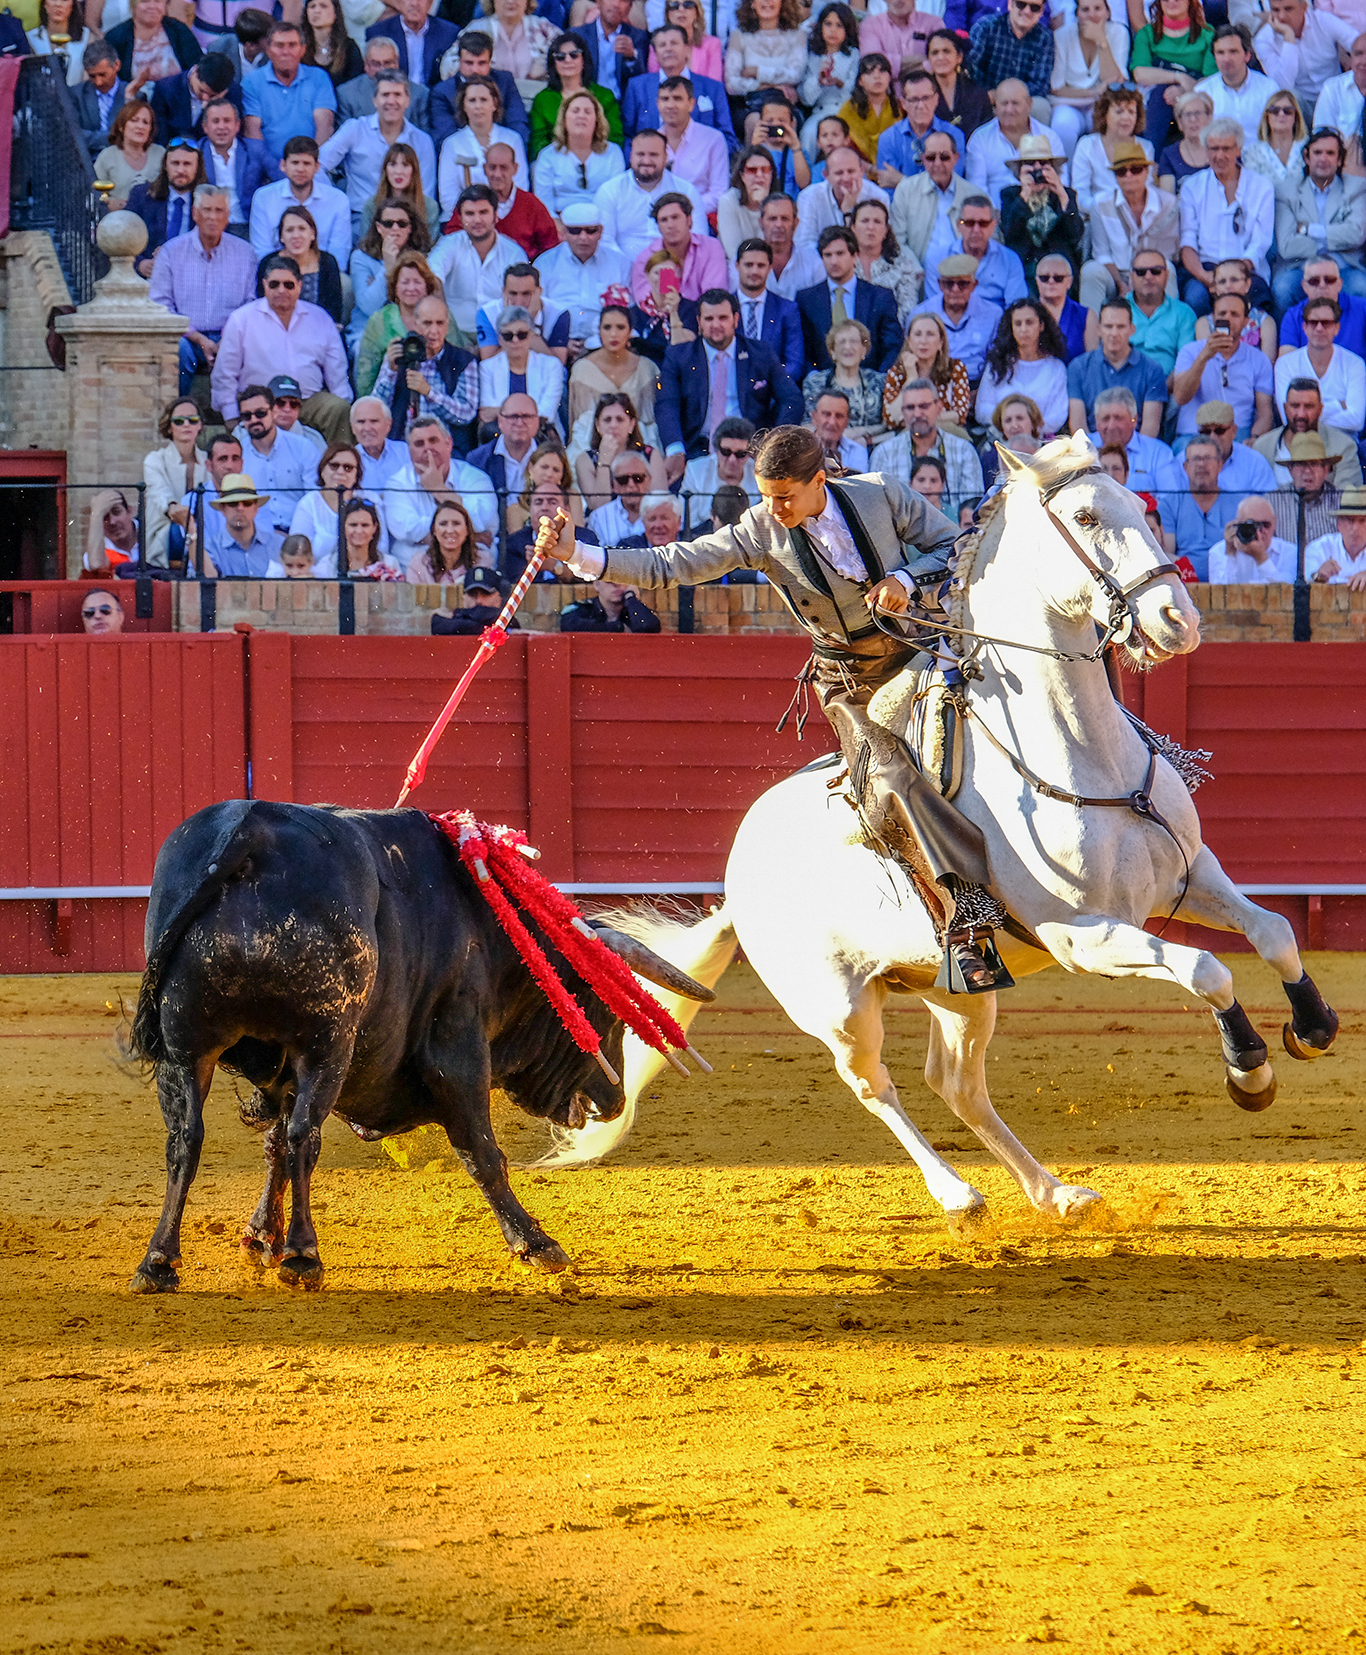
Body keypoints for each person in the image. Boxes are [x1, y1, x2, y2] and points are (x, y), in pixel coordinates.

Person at [545, 422, 1011, 992]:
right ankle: (967, 920)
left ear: (821, 480)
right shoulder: (761, 528)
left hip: (920, 652)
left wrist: (905, 579)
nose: (774, 508)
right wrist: (580, 555)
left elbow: (957, 546)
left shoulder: (881, 492)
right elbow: (675, 564)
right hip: (851, 680)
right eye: (766, 496)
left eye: (785, 496)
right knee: (891, 769)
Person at [656, 289, 801, 479]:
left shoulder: (761, 354)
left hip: (751, 451)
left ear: (736, 319)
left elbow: (792, 399)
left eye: (723, 318)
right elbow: (667, 404)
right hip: (696, 450)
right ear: (699, 322)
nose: (716, 325)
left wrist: (774, 443)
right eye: (709, 319)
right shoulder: (679, 356)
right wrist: (675, 450)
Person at [213, 255, 353, 444]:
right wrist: (230, 414)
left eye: (288, 285)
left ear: (300, 286)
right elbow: (225, 372)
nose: (281, 290)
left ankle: (340, 468)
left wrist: (344, 401)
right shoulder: (241, 319)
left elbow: (337, 371)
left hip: (307, 401)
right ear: (264, 285)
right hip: (261, 404)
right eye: (274, 284)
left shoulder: (320, 319)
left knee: (339, 409)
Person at [148, 183, 256, 392]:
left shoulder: (245, 253)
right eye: (207, 210)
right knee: (176, 351)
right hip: (186, 337)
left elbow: (250, 304)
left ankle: (243, 419)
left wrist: (227, 338)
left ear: (228, 216)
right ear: (195, 213)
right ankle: (178, 415)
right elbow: (160, 305)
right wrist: (198, 338)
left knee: (254, 347)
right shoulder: (171, 252)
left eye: (219, 211)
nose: (213, 217)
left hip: (231, 335)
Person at [319, 70, 436, 234]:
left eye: (397, 94)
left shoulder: (422, 140)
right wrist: (334, 201)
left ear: (407, 100)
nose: (391, 101)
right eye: (385, 94)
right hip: (359, 219)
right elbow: (318, 164)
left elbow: (426, 192)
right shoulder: (355, 129)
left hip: (406, 222)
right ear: (374, 100)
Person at [1178, 117, 1274, 316]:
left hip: (1246, 268)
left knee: (1258, 300)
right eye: (1213, 149)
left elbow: (1261, 240)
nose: (1219, 155)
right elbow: (1188, 239)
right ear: (1206, 151)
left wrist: (1234, 277)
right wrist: (1206, 277)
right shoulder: (1192, 186)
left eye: (1226, 149)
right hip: (1205, 267)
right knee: (1195, 298)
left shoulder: (1261, 186)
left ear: (1238, 149)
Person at [1272, 130, 1366, 316]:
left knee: (1361, 287)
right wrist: (1335, 237)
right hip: (1301, 268)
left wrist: (1309, 230)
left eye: (1330, 153)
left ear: (1340, 160)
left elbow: (1356, 234)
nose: (1323, 158)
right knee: (1283, 288)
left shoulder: (1356, 189)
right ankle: (1288, 344)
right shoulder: (1287, 191)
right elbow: (1287, 246)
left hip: (1344, 268)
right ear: (1307, 157)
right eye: (1317, 152)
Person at [384, 414, 499, 564]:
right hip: (416, 572)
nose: (428, 448)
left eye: (433, 440)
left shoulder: (476, 477)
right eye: (419, 444)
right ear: (410, 452)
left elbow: (485, 521)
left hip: (470, 566)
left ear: (449, 443)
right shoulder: (397, 483)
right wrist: (469, 534)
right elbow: (407, 531)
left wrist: (439, 489)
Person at [1081, 141, 1180, 311]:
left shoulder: (1167, 204)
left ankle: (1168, 328)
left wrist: (1139, 279)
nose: (1128, 176)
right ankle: (1093, 335)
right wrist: (1121, 284)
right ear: (1116, 177)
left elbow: (1166, 252)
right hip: (1115, 274)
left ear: (1146, 171)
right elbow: (1102, 254)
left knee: (1167, 268)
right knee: (1091, 271)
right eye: (1121, 171)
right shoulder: (1101, 204)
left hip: (1151, 271)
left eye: (1135, 169)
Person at [377, 290, 481, 441]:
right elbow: (377, 406)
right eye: (427, 323)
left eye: (440, 323)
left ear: (448, 325)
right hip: (401, 445)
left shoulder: (464, 360)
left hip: (446, 447)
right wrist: (391, 372)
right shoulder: (399, 354)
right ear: (415, 323)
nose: (434, 331)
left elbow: (466, 414)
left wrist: (429, 392)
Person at [1171, 290, 1275, 440]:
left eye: (1234, 314)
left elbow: (1265, 413)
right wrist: (1204, 357)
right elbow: (1181, 397)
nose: (1227, 318)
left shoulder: (1259, 359)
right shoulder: (1191, 351)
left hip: (1238, 435)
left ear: (1246, 321)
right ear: (1213, 319)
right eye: (1222, 314)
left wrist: (1254, 439)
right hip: (1195, 434)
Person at [797, 226, 901, 373]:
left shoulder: (880, 297)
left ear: (854, 256)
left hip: (870, 383)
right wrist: (816, 380)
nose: (834, 261)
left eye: (840, 254)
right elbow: (803, 351)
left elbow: (893, 347)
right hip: (823, 386)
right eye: (828, 255)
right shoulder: (806, 299)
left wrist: (877, 381)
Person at [428, 183, 528, 337]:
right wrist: (444, 321)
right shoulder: (449, 244)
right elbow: (432, 278)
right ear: (460, 219)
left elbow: (521, 301)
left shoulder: (513, 253)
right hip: (453, 334)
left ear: (495, 216)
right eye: (470, 213)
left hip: (500, 334)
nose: (477, 220)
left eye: (483, 212)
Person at [878, 377, 984, 516]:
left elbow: (973, 509)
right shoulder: (884, 453)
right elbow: (878, 510)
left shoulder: (965, 451)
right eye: (910, 408)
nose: (917, 414)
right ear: (903, 413)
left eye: (923, 406)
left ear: (939, 408)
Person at [593, 129, 702, 263]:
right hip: (625, 272)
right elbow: (605, 242)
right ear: (631, 156)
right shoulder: (609, 190)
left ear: (665, 157)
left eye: (653, 155)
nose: (646, 160)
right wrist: (632, 271)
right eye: (640, 154)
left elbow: (699, 238)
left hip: (676, 269)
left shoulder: (686, 191)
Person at [621, 21, 732, 146]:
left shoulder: (713, 88)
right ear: (655, 53)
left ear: (687, 49)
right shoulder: (637, 87)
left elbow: (727, 137)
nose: (668, 49)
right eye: (662, 45)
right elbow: (627, 135)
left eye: (674, 43)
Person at [229, 381, 320, 532]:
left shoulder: (303, 447)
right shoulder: (238, 454)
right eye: (247, 416)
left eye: (260, 413)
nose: (254, 420)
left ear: (274, 412)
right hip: (255, 535)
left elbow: (314, 498)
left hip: (299, 532)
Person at [1067, 299, 1168, 434]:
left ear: (1132, 329)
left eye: (1120, 327)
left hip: (1137, 448)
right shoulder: (1078, 368)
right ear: (1098, 329)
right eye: (1108, 326)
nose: (1114, 333)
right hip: (1093, 448)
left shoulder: (1152, 370)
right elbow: (1078, 426)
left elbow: (1149, 430)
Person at [242, 20, 337, 164]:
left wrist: (309, 166)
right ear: (268, 50)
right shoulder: (252, 82)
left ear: (303, 49)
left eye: (292, 45)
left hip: (312, 167)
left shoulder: (319, 77)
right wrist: (276, 170)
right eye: (279, 45)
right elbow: (253, 133)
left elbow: (325, 128)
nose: (286, 52)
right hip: (267, 170)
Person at [535, 204, 624, 356]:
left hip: (606, 348)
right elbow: (536, 311)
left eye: (590, 231)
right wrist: (560, 343)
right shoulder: (544, 264)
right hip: (554, 348)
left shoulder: (620, 263)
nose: (583, 237)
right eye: (575, 231)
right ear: (563, 233)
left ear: (601, 232)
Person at [998, 133, 1084, 289]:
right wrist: (1024, 195)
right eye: (1030, 163)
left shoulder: (1065, 195)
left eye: (1043, 163)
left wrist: (1061, 194)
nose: (1037, 168)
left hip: (1058, 269)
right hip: (1024, 268)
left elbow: (1075, 234)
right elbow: (1009, 232)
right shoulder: (1010, 195)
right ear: (1020, 169)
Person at [1130, 0, 1215, 157]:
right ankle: (1151, 160)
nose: (1172, 2)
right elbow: (1140, 72)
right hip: (1158, 100)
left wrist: (1184, 90)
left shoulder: (1207, 34)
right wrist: (1179, 77)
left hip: (1196, 93)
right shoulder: (1147, 33)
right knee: (1161, 94)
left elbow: (1211, 78)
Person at [248, 133, 350, 263]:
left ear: (317, 167)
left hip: (323, 273)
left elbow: (339, 253)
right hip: (277, 274)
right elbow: (262, 250)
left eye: (306, 163)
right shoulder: (264, 197)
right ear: (283, 165)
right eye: (295, 163)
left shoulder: (338, 200)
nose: (300, 169)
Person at [890, 129, 975, 282]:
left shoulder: (973, 194)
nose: (937, 163)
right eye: (930, 157)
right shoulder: (906, 190)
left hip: (965, 277)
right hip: (920, 276)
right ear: (922, 159)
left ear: (956, 158)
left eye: (944, 157)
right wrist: (915, 270)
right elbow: (897, 241)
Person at [531, 85, 625, 225]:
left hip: (602, 224)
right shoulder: (548, 155)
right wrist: (559, 227)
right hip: (560, 225)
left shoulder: (613, 153)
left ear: (597, 120)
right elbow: (544, 204)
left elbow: (616, 199)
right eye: (575, 111)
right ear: (564, 119)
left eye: (587, 112)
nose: (581, 115)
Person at [964, 77, 1064, 209]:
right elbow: (977, 190)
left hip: (1041, 215)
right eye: (1004, 103)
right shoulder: (980, 139)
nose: (1009, 110)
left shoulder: (1050, 137)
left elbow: (1062, 183)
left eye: (1015, 103)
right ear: (995, 105)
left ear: (1029, 104)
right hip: (995, 219)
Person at [1050, 0, 1130, 159]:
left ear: (1107, 12)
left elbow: (1115, 82)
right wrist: (1093, 92)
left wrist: (1101, 41)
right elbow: (1057, 87)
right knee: (1062, 125)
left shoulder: (1119, 32)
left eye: (1098, 9)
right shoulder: (1062, 36)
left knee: (1107, 122)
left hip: (1104, 103)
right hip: (1070, 102)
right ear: (1077, 14)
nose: (1092, 15)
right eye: (1085, 10)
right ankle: (1065, 177)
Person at [354, 249, 440, 398]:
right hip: (390, 397)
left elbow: (456, 360)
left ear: (427, 286)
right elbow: (365, 379)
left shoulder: (440, 314)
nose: (411, 288)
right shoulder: (379, 321)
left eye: (417, 282)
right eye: (405, 282)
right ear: (395, 287)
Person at [976, 298, 1070, 434]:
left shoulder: (1056, 368)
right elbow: (982, 409)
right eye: (1018, 324)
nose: (1023, 329)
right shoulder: (997, 365)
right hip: (1000, 440)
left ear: (1041, 326)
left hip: (1041, 443)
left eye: (1029, 323)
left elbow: (1057, 415)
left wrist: (1028, 429)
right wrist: (1009, 425)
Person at [1274, 296, 1366, 433]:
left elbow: (1357, 421)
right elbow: (1288, 419)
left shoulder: (1355, 363)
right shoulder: (1285, 364)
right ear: (1304, 327)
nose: (1319, 328)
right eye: (1313, 323)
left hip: (1343, 441)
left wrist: (1306, 413)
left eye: (1326, 323)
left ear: (1337, 328)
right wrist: (1338, 405)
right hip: (1299, 439)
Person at [287, 442, 383, 574]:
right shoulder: (308, 503)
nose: (340, 471)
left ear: (357, 475)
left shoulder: (371, 500)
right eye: (334, 466)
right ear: (322, 470)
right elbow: (297, 551)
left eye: (348, 468)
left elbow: (382, 546)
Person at [349, 197, 428, 355]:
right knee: (362, 349)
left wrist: (378, 284)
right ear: (379, 227)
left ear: (410, 228)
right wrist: (387, 268)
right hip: (367, 328)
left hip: (410, 327)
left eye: (402, 223)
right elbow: (368, 306)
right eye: (388, 223)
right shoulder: (360, 257)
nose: (395, 228)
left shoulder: (420, 259)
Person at [438, 75, 530, 211]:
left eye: (483, 100)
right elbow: (447, 195)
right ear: (464, 105)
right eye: (472, 100)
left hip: (508, 215)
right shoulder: (452, 144)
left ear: (494, 103)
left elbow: (520, 186)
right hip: (465, 219)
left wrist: (498, 215)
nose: (478, 106)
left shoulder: (512, 139)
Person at [1255, 0, 1357, 123]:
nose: (1281, 16)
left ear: (1304, 7)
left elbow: (1356, 42)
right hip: (1301, 107)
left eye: (1288, 9)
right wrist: (1289, 38)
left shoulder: (1323, 21)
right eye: (1275, 10)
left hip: (1337, 96)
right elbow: (1283, 85)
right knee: (1289, 96)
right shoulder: (1264, 40)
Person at [1251, 375, 1363, 487]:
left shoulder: (1344, 447)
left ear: (1320, 409)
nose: (1301, 414)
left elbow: (1347, 497)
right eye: (1295, 406)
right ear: (1285, 408)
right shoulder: (1262, 447)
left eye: (1308, 406)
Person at [910, 252, 1005, 384]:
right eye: (949, 284)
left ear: (974, 285)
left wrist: (980, 392)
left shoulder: (993, 314)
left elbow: (996, 359)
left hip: (977, 384)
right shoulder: (921, 313)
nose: (955, 290)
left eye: (962, 284)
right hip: (933, 384)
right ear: (940, 285)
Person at [430, 28, 530, 151]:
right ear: (459, 61)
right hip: (461, 156)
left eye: (481, 63)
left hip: (503, 154)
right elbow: (444, 136)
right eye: (469, 63)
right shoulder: (443, 91)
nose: (475, 70)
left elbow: (517, 123)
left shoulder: (505, 81)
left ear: (490, 62)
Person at [531, 31, 622, 158]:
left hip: (599, 160)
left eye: (574, 55)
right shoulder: (542, 99)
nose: (567, 60)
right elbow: (538, 144)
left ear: (584, 60)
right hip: (556, 162)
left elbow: (615, 138)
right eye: (560, 56)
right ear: (553, 63)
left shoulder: (604, 96)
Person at [197, 96, 278, 237]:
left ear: (237, 126)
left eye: (227, 121)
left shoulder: (255, 149)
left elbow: (281, 179)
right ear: (205, 127)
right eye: (215, 121)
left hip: (248, 225)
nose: (221, 126)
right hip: (208, 226)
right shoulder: (196, 152)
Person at [1070, 86, 1153, 220]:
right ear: (1105, 115)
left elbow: (1147, 190)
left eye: (1131, 112)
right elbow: (1080, 195)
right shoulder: (1087, 145)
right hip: (1097, 217)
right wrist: (1107, 212)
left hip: (1135, 218)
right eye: (1119, 111)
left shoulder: (1146, 147)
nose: (1126, 117)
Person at [467, 392, 543, 539]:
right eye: (513, 416)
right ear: (500, 421)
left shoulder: (550, 458)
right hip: (492, 540)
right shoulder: (477, 459)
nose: (520, 422)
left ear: (537, 421)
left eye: (526, 416)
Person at [803, 318, 886, 450]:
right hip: (825, 449)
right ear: (833, 351)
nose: (848, 347)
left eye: (853, 341)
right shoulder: (815, 383)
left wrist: (861, 437)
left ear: (864, 350)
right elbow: (807, 425)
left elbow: (887, 426)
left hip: (871, 448)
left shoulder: (879, 381)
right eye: (842, 342)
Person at [628, 191, 726, 303]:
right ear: (658, 227)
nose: (670, 225)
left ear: (689, 220)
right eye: (664, 220)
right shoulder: (645, 259)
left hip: (704, 317)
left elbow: (714, 298)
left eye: (675, 217)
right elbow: (646, 303)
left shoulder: (711, 248)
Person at [968, 0, 1055, 126]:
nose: (1027, 11)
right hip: (987, 96)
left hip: (1021, 100)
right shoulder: (986, 26)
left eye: (1034, 8)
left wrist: (1008, 96)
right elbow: (970, 68)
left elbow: (1040, 84)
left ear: (1041, 12)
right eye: (1021, 4)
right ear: (1010, 4)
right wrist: (987, 95)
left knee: (1041, 107)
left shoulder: (1045, 38)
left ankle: (1034, 146)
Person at [478, 302, 566, 427]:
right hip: (498, 433)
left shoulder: (551, 365)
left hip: (541, 432)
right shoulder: (487, 368)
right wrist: (527, 414)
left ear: (531, 336)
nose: (515, 340)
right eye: (508, 336)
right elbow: (487, 413)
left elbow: (547, 412)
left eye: (521, 335)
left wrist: (503, 413)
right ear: (499, 339)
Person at [143, 396, 207, 567]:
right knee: (176, 532)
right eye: (179, 421)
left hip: (205, 534)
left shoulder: (208, 460)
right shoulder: (155, 460)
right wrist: (172, 507)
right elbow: (159, 494)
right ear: (169, 427)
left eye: (193, 420)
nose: (186, 425)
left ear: (199, 425)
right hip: (165, 537)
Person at [884, 308, 973, 429]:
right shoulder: (897, 372)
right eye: (917, 334)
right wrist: (911, 378)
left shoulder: (955, 368)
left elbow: (960, 414)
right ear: (909, 341)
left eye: (930, 334)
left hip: (946, 431)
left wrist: (919, 419)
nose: (923, 341)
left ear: (941, 342)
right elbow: (891, 419)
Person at [730, 238, 804, 385]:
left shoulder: (787, 310)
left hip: (773, 397)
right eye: (749, 265)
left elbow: (795, 363)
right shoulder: (724, 308)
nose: (755, 271)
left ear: (770, 268)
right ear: (737, 266)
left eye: (761, 265)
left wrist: (766, 385)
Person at [573, 391, 667, 505]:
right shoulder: (585, 460)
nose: (613, 425)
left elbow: (659, 502)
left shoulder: (651, 455)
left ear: (632, 424)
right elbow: (598, 505)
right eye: (607, 420)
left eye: (620, 419)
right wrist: (604, 460)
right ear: (598, 425)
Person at [1159, 435, 1235, 576]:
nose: (1201, 464)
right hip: (1185, 583)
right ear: (1185, 467)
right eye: (1195, 459)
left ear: (1220, 465)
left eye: (1207, 458)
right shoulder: (1169, 505)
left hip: (1228, 583)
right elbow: (1167, 553)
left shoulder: (1239, 504)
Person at [256, 204, 343, 323]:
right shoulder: (267, 263)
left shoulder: (327, 262)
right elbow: (262, 307)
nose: (296, 236)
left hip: (319, 329)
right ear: (281, 237)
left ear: (312, 233)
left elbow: (333, 310)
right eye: (289, 230)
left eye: (302, 229)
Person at [1088, 384, 1183, 492]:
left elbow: (1170, 500)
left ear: (1134, 420)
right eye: (1105, 419)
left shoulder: (1158, 454)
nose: (1111, 426)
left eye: (1118, 418)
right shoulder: (1082, 449)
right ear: (1096, 421)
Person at [474, 261, 569, 365]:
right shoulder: (487, 314)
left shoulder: (558, 314)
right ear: (504, 292)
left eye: (526, 294)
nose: (519, 302)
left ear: (539, 291)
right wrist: (514, 322)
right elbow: (488, 363)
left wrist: (528, 324)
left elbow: (559, 366)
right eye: (513, 293)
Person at [795, 144, 889, 246]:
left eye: (851, 171)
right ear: (826, 175)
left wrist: (850, 210)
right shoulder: (809, 197)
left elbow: (883, 242)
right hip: (822, 259)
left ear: (862, 171)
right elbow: (805, 244)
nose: (846, 178)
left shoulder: (879, 197)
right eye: (839, 173)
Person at [1123, 246, 1197, 375]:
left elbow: (1185, 364)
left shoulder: (1184, 314)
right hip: (1122, 389)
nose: (1148, 277)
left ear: (1167, 275)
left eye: (1156, 271)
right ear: (1131, 277)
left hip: (1169, 390)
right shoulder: (1117, 310)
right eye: (1141, 272)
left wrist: (1159, 390)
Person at [1184, 396, 1278, 494]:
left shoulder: (1254, 463)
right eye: (1206, 431)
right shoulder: (1184, 462)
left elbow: (1268, 503)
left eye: (1219, 431)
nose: (1212, 437)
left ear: (1234, 431)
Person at [337, 35, 431, 133]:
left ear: (397, 62)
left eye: (388, 63)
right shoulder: (347, 94)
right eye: (375, 64)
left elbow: (424, 136)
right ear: (366, 64)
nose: (382, 69)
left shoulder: (419, 93)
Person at [798, 3, 861, 150]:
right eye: (828, 24)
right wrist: (818, 81)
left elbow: (852, 92)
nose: (833, 30)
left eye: (839, 25)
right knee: (809, 133)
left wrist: (839, 83)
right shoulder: (812, 56)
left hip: (846, 111)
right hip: (820, 111)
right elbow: (807, 99)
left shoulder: (853, 55)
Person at [1279, 254, 1366, 360]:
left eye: (1329, 280)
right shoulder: (1293, 317)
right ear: (1304, 286)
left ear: (1339, 284)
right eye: (1314, 281)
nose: (1322, 285)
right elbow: (1287, 364)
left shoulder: (1362, 308)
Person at [1195, 24, 1276, 134]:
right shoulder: (1203, 92)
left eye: (1233, 51)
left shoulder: (1269, 88)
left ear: (1247, 55)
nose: (1226, 59)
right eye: (1220, 52)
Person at [724, 0, 806, 109]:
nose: (767, 1)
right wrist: (770, 86)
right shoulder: (738, 35)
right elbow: (731, 84)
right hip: (749, 104)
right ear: (752, 3)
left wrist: (756, 72)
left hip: (786, 103)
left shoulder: (797, 34)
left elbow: (796, 75)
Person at [105, 0, 201, 92]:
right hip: (135, 102)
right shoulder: (115, 38)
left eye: (158, 1)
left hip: (176, 100)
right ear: (133, 5)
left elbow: (197, 68)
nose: (152, 6)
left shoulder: (179, 30)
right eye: (145, 1)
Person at [364, 0, 459, 87]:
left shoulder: (449, 33)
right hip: (394, 96)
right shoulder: (378, 32)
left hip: (433, 99)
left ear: (430, 4)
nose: (414, 3)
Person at [147, 54, 239, 144]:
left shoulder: (232, 93)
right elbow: (159, 136)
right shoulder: (166, 89)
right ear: (195, 71)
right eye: (202, 90)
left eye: (211, 95)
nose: (205, 98)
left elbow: (234, 137)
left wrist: (215, 107)